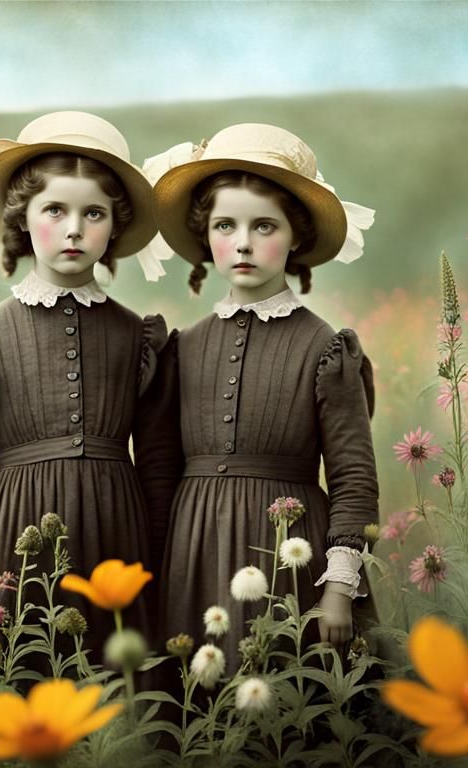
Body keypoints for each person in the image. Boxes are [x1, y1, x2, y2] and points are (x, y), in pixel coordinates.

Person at [0, 111, 178, 669]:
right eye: (55, 210)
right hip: (14, 537)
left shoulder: (141, 338)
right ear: (23, 219)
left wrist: (158, 574)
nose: (74, 228)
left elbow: (158, 469)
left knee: (117, 702)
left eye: (94, 213)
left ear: (113, 227)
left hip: (117, 540)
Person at [147, 122, 380, 675]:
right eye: (226, 225)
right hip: (193, 557)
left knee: (287, 700)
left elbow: (353, 477)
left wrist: (340, 587)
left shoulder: (326, 348)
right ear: (206, 234)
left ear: (296, 236)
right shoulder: (182, 348)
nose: (244, 242)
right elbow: (158, 471)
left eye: (265, 226)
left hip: (289, 555)